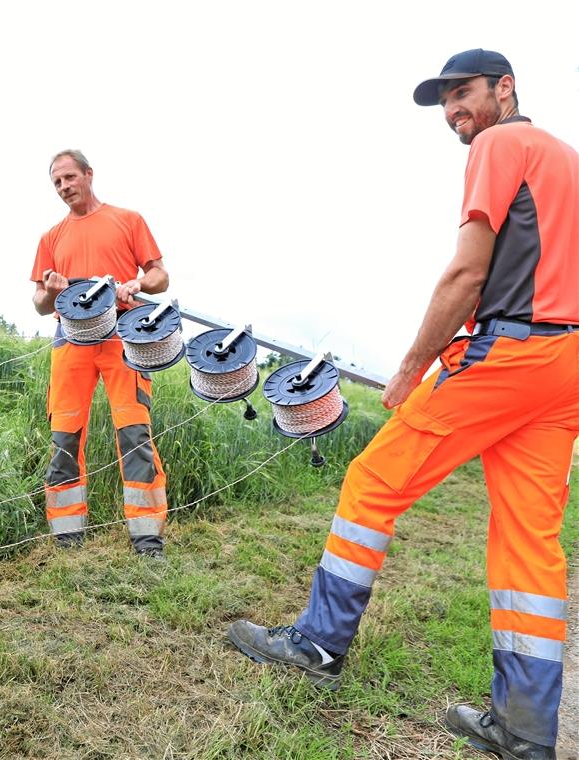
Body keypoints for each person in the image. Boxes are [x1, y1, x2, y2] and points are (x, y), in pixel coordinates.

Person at [225, 50, 578, 758]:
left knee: (372, 480)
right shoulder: (567, 160)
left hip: (509, 352)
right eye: (447, 101)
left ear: (505, 90)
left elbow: (467, 272)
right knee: (527, 543)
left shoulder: (500, 144)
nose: (455, 111)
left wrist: (413, 366)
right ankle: (526, 732)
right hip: (565, 366)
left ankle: (318, 647)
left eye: (465, 94)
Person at [30, 150, 171, 557]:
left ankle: (148, 540)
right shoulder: (50, 238)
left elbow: (160, 276)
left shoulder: (127, 220)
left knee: (133, 434)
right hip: (70, 341)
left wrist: (137, 283)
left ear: (89, 174)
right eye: (57, 183)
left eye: (69, 177)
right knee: (63, 438)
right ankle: (67, 539)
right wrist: (51, 291)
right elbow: (40, 303)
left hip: (123, 337)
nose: (64, 187)